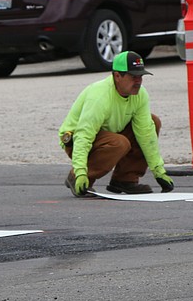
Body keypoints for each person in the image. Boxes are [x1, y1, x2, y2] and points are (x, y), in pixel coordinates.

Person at [58, 50, 175, 197]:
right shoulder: (99, 96)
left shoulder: (140, 94)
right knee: (119, 143)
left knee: (152, 122)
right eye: (133, 76)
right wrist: (80, 171)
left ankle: (125, 180)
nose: (138, 81)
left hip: (110, 134)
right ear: (117, 76)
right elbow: (84, 135)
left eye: (141, 76)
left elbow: (146, 133)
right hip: (76, 140)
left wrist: (159, 171)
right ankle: (79, 178)